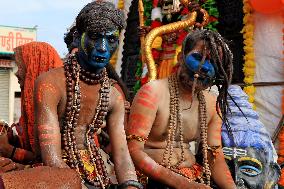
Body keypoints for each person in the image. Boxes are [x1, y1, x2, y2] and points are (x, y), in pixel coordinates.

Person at [34, 1, 141, 189]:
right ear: (77, 36)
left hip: (99, 170)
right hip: (59, 174)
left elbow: (122, 154)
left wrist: (130, 185)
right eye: (94, 37)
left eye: (111, 39)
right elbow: (52, 160)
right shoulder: (50, 84)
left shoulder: (113, 95)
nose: (102, 47)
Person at [126, 29, 236, 189]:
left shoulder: (212, 103)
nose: (205, 67)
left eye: (213, 63)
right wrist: (182, 184)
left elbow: (214, 157)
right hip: (150, 180)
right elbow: (134, 151)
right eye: (198, 57)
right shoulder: (152, 92)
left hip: (192, 176)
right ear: (180, 58)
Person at [0, 42, 63, 166]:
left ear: (36, 67)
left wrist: (9, 150)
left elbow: (49, 163)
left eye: (20, 66)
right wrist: (12, 138)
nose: (16, 73)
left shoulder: (60, 108)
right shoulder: (29, 110)